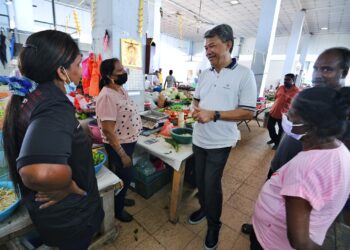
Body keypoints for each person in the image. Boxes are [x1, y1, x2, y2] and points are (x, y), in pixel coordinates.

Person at [1, 30, 104, 249]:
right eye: (78, 65)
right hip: (71, 215)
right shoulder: (54, 105)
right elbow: (38, 172)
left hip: (53, 216)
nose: (80, 71)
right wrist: (67, 185)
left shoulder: (31, 95)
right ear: (61, 71)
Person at [241, 47, 350, 235]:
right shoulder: (309, 95)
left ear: (344, 72)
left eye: (326, 69)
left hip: (305, 177)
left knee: (292, 220)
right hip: (283, 161)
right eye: (315, 68)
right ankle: (259, 227)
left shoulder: (343, 109)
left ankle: (273, 236)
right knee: (272, 199)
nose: (317, 75)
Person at [250, 86, 350, 249]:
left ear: (311, 124)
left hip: (271, 243)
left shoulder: (307, 167)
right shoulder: (338, 149)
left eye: (291, 114)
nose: (287, 117)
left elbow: (299, 241)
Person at [189, 24, 257, 250]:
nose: (208, 51)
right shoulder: (205, 74)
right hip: (199, 139)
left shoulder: (244, 74)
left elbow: (249, 112)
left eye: (213, 46)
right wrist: (195, 110)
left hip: (220, 142)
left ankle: (213, 225)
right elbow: (197, 100)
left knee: (211, 184)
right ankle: (204, 208)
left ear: (228, 45)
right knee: (199, 182)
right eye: (206, 47)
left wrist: (214, 114)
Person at [95, 58, 142, 222]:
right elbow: (108, 130)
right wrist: (122, 154)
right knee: (125, 175)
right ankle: (118, 209)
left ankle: (120, 199)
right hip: (119, 145)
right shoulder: (107, 97)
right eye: (120, 71)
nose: (125, 72)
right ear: (109, 76)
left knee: (124, 176)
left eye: (124, 69)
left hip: (128, 141)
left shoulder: (119, 89)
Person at [267, 73, 299, 150]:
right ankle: (274, 139)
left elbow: (297, 105)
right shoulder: (280, 87)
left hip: (285, 115)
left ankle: (277, 144)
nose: (285, 81)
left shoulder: (297, 91)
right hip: (274, 111)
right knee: (270, 127)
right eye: (285, 79)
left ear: (293, 81)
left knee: (281, 130)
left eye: (288, 79)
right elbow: (276, 97)